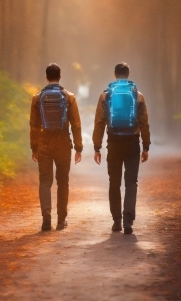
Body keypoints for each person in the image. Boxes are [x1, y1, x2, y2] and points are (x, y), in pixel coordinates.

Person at [93, 62, 150, 234]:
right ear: (128, 74)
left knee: (114, 182)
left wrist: (97, 147)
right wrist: (146, 146)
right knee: (131, 182)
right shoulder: (138, 95)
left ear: (115, 74)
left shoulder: (105, 95)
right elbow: (144, 123)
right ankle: (128, 221)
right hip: (133, 143)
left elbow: (99, 122)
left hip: (114, 143)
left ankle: (116, 221)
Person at [30, 62, 83, 231]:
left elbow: (34, 125)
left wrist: (34, 147)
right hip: (62, 142)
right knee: (63, 181)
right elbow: (76, 124)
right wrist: (78, 147)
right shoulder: (69, 97)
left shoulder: (37, 98)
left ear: (46, 77)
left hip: (44, 141)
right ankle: (61, 220)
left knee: (45, 180)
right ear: (59, 77)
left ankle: (46, 215)